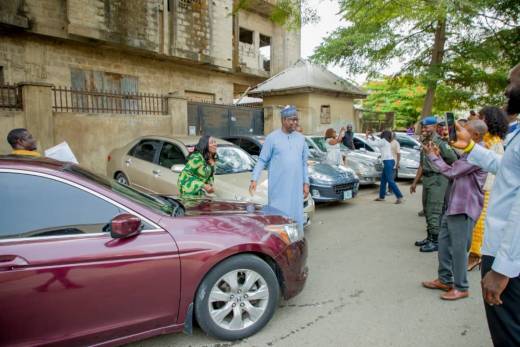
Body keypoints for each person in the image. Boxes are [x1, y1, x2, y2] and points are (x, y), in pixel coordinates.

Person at [451, 63, 520, 346]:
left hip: (508, 255)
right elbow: (507, 168)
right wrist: (469, 148)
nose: (507, 89)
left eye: (512, 82)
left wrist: (503, 268)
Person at [421, 120, 488, 300]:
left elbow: (452, 172)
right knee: (443, 244)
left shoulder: (479, 154)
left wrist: (433, 157)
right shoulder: (471, 151)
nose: (460, 133)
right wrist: (438, 156)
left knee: (458, 250)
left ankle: (461, 287)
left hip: (464, 208)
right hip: (454, 205)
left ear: (474, 135)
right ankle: (445, 280)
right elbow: (454, 169)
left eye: (464, 130)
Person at [250, 105, 309, 227]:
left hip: (295, 189)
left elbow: (303, 163)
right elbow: (261, 160)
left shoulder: (301, 139)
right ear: (283, 120)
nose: (295, 122)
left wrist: (306, 183)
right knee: (278, 221)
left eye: (296, 119)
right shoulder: (272, 138)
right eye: (292, 119)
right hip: (278, 189)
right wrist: (254, 178)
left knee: (295, 221)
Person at [467, 106, 508, 272]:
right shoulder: (487, 138)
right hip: (481, 186)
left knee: (480, 225)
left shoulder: (495, 141)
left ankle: (476, 256)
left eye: (482, 117)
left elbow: (495, 166)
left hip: (487, 188)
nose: (479, 119)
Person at [411, 116, 458, 252]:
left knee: (434, 210)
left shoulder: (441, 143)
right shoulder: (426, 142)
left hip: (438, 179)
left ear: (434, 126)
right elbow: (421, 164)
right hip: (427, 179)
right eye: (423, 127)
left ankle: (436, 241)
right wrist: (415, 182)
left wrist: (444, 170)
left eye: (427, 127)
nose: (424, 129)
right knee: (427, 209)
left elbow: (453, 159)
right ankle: (430, 237)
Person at [365, 129, 403, 204]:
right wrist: (371, 136)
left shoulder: (383, 141)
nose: (381, 133)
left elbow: (372, 143)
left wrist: (366, 136)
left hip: (388, 162)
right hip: (389, 161)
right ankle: (381, 197)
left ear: (384, 134)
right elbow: (376, 141)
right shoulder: (386, 141)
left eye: (382, 133)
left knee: (390, 180)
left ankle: (399, 196)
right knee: (383, 180)